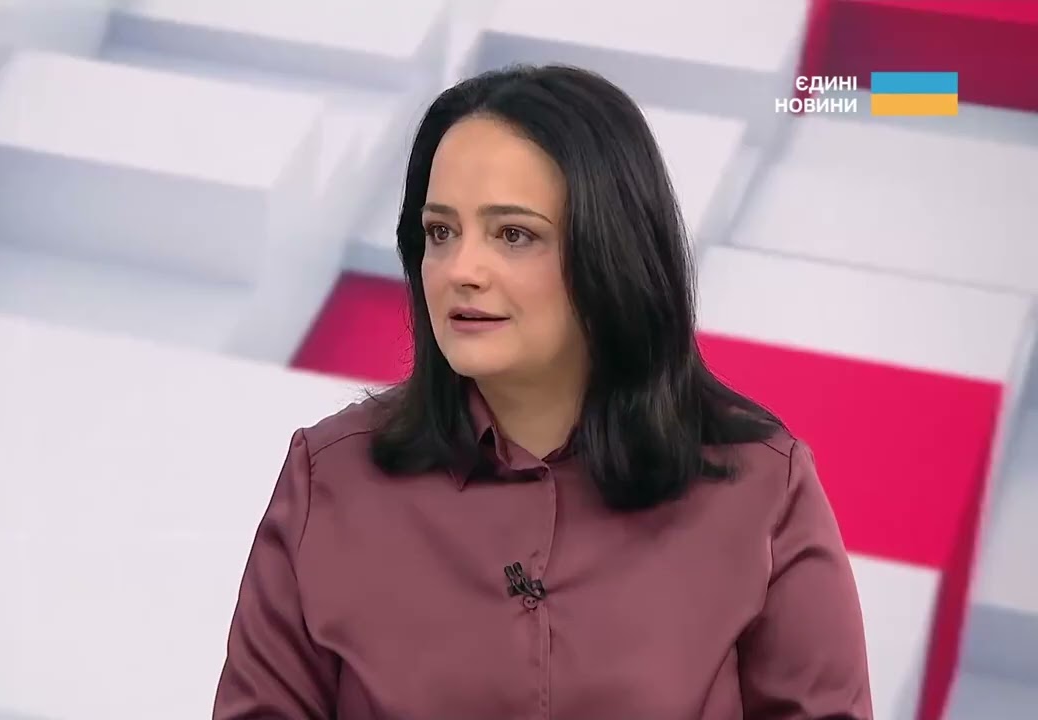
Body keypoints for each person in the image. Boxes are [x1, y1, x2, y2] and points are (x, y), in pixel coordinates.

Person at [212, 64, 873, 719]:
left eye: (513, 235)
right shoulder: (330, 479)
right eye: (441, 232)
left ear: (610, 252)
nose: (462, 270)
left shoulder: (760, 487)